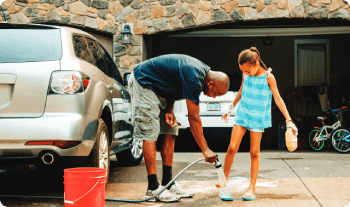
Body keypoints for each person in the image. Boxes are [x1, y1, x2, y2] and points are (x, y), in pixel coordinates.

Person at [128, 54, 230, 202]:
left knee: (171, 130)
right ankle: (152, 188)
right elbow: (194, 118)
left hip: (160, 89)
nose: (214, 97)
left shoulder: (200, 73)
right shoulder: (194, 76)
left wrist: (169, 110)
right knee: (151, 131)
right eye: (215, 93)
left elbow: (172, 84)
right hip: (144, 83)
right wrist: (205, 149)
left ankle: (168, 184)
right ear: (210, 83)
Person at [216, 47, 298, 201]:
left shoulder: (268, 77)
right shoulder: (245, 74)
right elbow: (240, 92)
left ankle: (251, 187)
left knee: (254, 152)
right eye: (244, 71)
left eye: (247, 71)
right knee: (232, 148)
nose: (245, 73)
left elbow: (278, 99)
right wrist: (229, 109)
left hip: (258, 118)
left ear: (256, 63)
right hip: (243, 114)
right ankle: (224, 180)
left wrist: (288, 119)